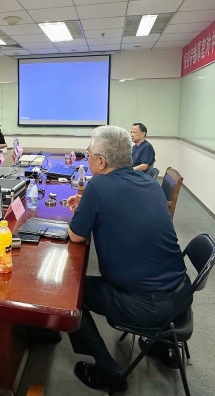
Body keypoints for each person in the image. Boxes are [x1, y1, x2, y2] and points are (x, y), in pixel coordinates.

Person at [65, 126, 190, 393]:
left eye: (89, 154)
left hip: (147, 307)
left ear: (101, 161)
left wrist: (82, 211)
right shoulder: (149, 183)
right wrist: (89, 206)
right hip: (181, 295)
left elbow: (76, 236)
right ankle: (159, 343)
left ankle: (109, 372)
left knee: (70, 293)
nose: (88, 157)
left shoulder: (98, 186)